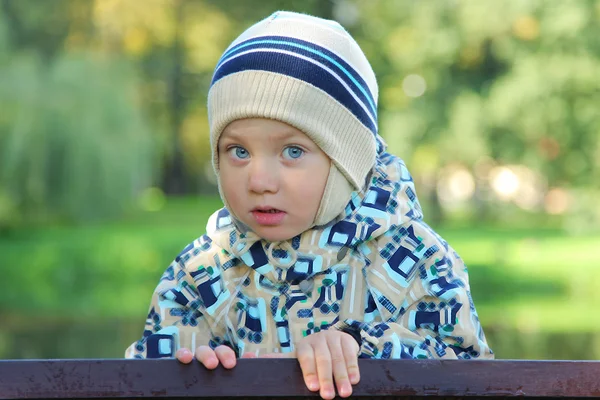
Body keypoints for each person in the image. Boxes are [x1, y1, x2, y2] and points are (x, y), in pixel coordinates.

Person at [125, 10, 494, 400]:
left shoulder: (418, 260)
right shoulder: (202, 273)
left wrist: (363, 348)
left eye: (293, 151)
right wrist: (192, 371)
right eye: (238, 151)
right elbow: (138, 377)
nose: (259, 181)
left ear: (345, 161)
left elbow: (470, 375)